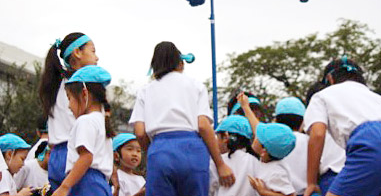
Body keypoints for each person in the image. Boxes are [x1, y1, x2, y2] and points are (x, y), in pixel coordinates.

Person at [129, 41, 235, 196]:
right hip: (192, 150)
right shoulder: (196, 86)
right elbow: (204, 126)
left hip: (160, 150)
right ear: (179, 63)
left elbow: (139, 132)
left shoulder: (145, 90)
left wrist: (153, 151)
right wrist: (220, 165)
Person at [303, 56, 381, 196]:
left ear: (330, 79)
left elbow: (318, 134)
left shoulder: (322, 95)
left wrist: (311, 182)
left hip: (371, 143)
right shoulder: (377, 98)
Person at [38, 33, 98, 192]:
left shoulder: (56, 84)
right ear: (77, 53)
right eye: (93, 51)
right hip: (76, 154)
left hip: (55, 157)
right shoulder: (80, 85)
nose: (97, 57)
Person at [52, 65, 114, 196]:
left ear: (84, 93)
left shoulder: (85, 121)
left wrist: (64, 186)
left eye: (69, 98)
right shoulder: (102, 122)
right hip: (101, 185)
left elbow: (86, 157)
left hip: (85, 183)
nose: (69, 106)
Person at [237, 92, 296, 196]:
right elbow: (256, 126)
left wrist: (264, 192)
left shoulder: (276, 172)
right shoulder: (269, 156)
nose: (255, 136)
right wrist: (245, 106)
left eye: (258, 137)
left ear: (263, 151)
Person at [304, 82, 345, 196]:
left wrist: (311, 182)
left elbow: (318, 136)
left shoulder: (315, 129)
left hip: (331, 179)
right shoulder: (348, 122)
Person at [210, 115, 258, 196]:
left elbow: (209, 188)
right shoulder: (255, 161)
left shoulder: (217, 162)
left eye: (217, 137)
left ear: (225, 137)